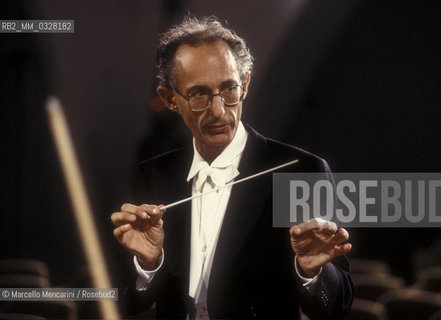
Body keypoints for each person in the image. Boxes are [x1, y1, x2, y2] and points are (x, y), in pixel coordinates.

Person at [111, 16, 354, 319]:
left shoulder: (301, 171)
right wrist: (148, 266)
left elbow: (338, 306)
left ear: (246, 84)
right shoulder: (152, 175)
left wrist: (310, 272)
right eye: (199, 94)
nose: (218, 110)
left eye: (229, 89)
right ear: (170, 100)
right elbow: (125, 303)